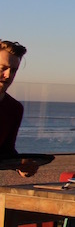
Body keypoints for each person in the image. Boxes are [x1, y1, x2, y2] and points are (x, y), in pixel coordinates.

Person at [0, 39, 37, 178]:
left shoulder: (14, 109)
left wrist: (21, 166)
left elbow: (6, 151)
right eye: (3, 68)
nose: (8, 75)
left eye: (13, 70)